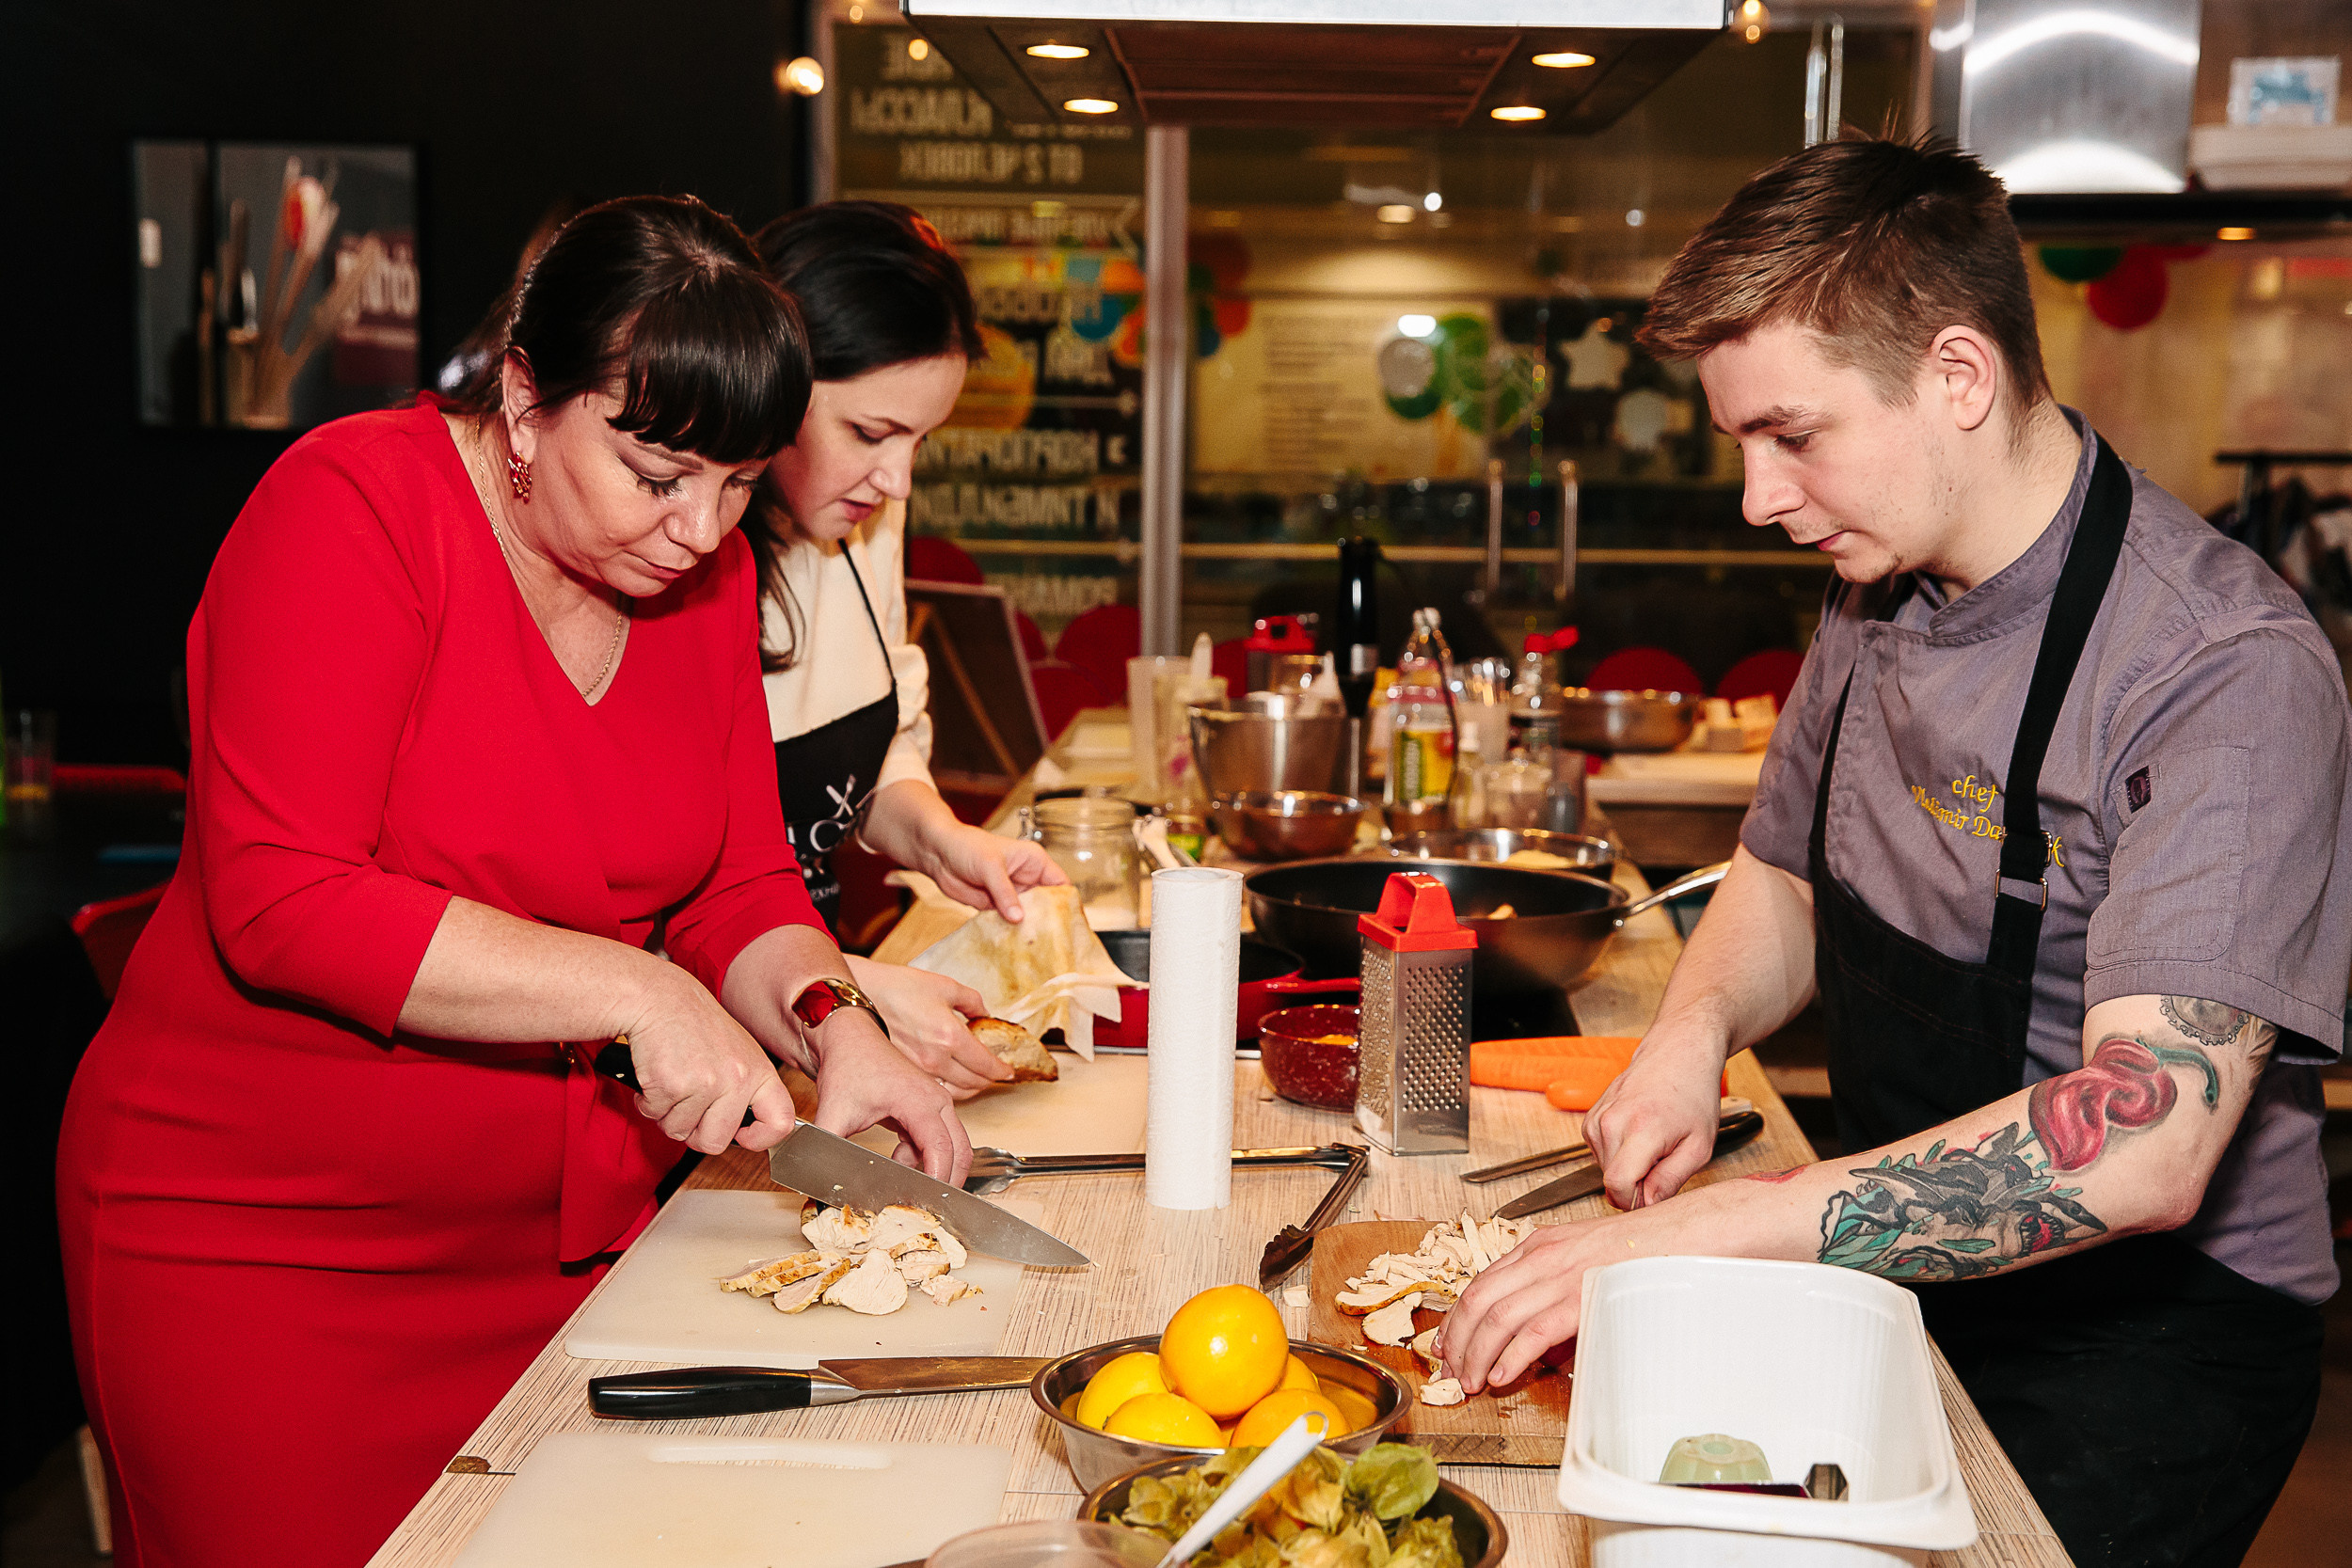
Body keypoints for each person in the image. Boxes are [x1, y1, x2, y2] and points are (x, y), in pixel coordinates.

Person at [1439, 136, 2350, 1568]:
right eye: (1741, 441)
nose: (1758, 494)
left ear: (1959, 378)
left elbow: (2149, 1136)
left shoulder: (2222, 667)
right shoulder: (1875, 586)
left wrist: (1736, 1220)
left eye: (1793, 434)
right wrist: (1690, 1032)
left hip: (2149, 1344)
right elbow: (1788, 868)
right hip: (1898, 1261)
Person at [56, 195, 967, 1568]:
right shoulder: (354, 505)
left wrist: (839, 1023)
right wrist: (638, 991)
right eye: (659, 474)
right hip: (266, 1257)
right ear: (527, 396)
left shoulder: (700, 579)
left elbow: (734, 876)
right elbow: (282, 895)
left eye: (736, 484)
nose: (700, 529)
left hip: (573, 1254)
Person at [749, 200, 1066, 1099]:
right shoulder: (667, 557)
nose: (898, 481)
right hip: (711, 1048)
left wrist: (937, 838)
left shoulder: (864, 517)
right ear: (768, 380)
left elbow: (873, 733)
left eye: (920, 441)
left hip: (806, 1035)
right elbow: (634, 918)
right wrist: (852, 997)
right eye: (871, 434)